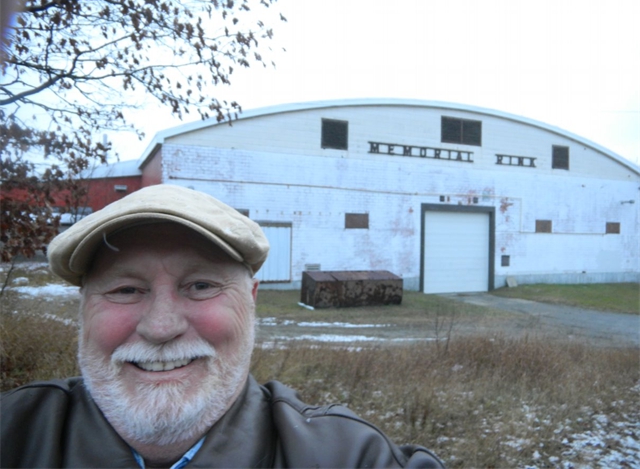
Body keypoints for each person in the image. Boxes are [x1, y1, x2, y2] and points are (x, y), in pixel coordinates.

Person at [1, 184, 444, 468]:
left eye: (200, 285)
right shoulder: (14, 435)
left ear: (250, 303)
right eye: (124, 290)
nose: (160, 327)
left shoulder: (348, 457)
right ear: (84, 310)